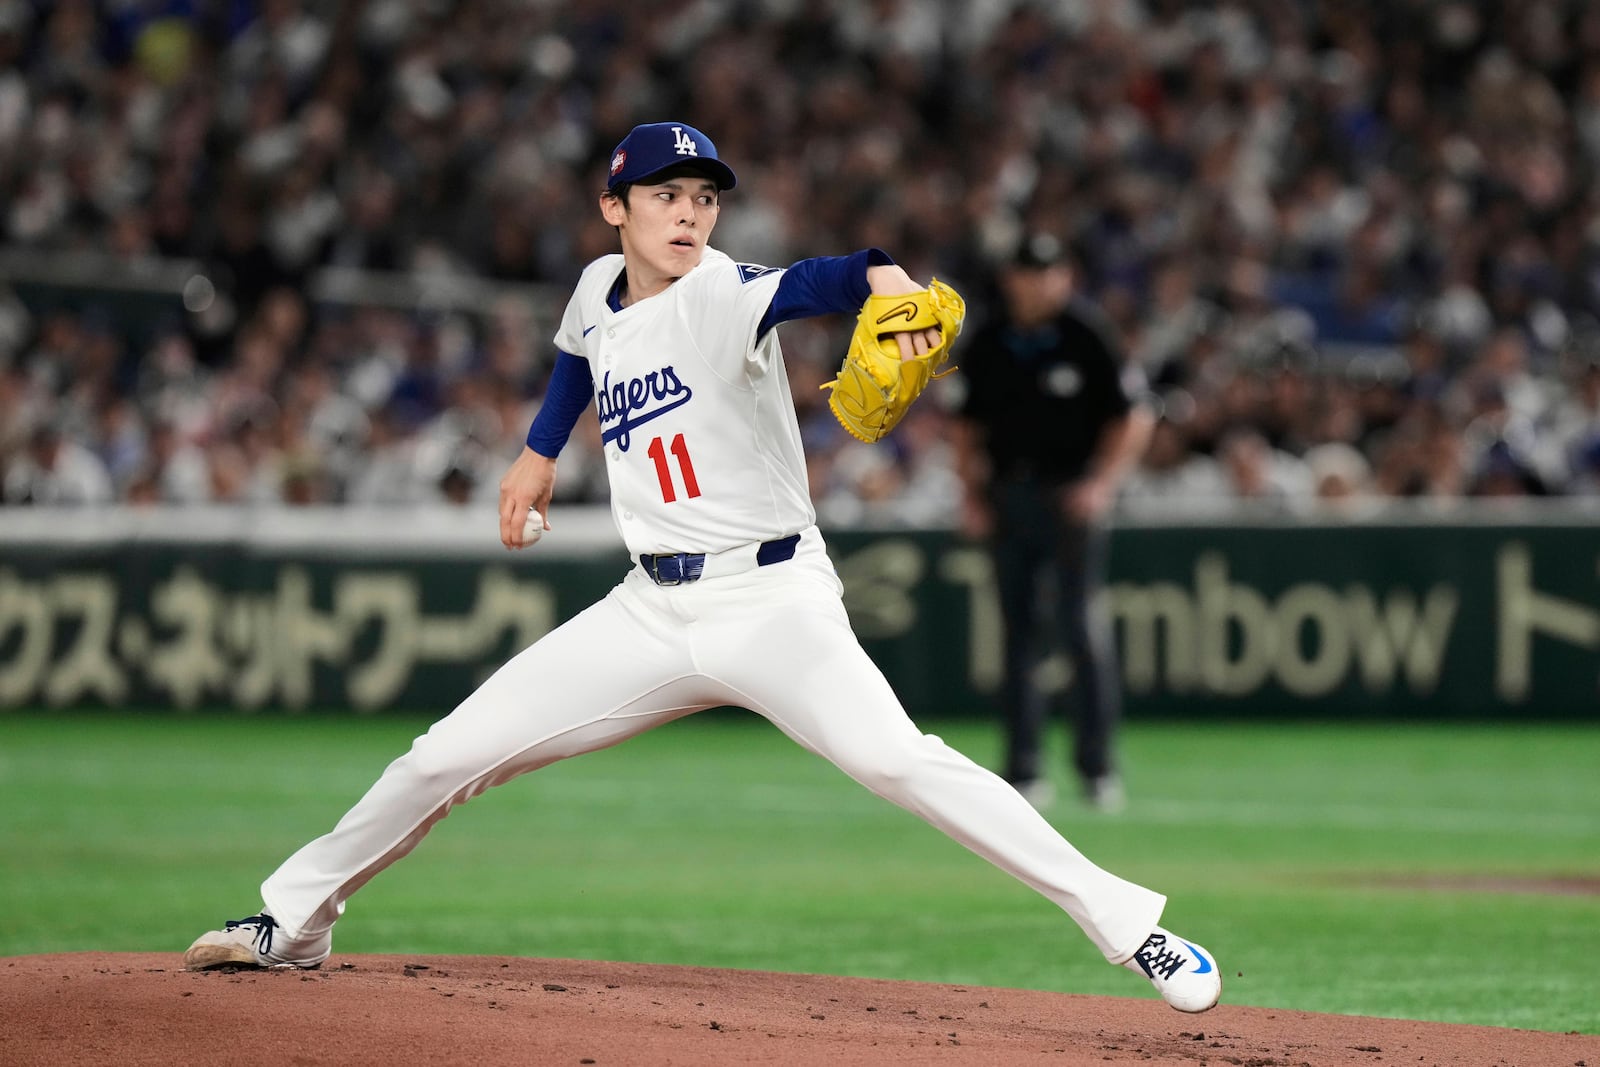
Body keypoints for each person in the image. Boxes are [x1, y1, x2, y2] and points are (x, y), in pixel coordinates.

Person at [182, 122, 1219, 1013]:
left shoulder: (723, 293)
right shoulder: (597, 286)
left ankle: (1133, 928)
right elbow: (579, 354)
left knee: (901, 760)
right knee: (446, 752)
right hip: (649, 608)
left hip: (770, 598)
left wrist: (883, 275)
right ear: (613, 209)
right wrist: (538, 453)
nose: (688, 214)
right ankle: (295, 918)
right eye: (665, 195)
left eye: (703, 198)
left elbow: (816, 279)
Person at [953, 233, 1155, 813]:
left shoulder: (1087, 332)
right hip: (1010, 496)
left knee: (1082, 628)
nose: (1037, 283)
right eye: (1027, 271)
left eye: (1048, 272)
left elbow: (1132, 415)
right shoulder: (991, 338)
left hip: (1070, 497)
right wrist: (970, 495)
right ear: (1012, 278)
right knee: (1018, 635)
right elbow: (967, 427)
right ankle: (1023, 770)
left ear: (1063, 276)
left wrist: (1102, 483)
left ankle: (1097, 768)